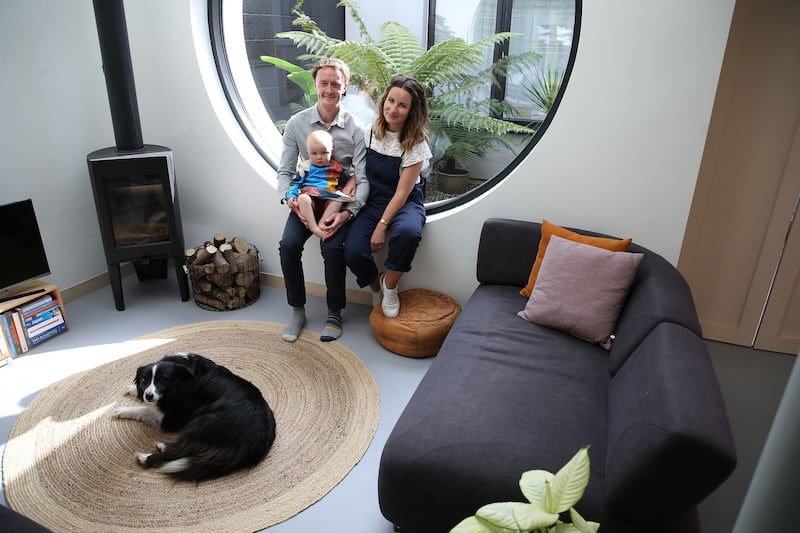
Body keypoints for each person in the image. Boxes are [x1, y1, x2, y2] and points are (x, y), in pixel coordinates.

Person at [277, 58, 368, 343]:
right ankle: (297, 310)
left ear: (345, 87)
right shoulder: (297, 123)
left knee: (332, 248)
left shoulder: (356, 128)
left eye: (336, 84)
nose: (329, 89)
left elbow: (363, 179)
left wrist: (348, 214)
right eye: (324, 83)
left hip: (337, 200)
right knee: (288, 245)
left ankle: (334, 312)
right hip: (306, 196)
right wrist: (288, 199)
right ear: (315, 84)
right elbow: (285, 171)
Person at [345, 74, 432, 318]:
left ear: (412, 110)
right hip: (373, 198)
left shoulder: (416, 144)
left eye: (402, 105)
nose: (393, 109)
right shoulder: (369, 132)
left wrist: (382, 226)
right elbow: (358, 169)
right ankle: (375, 287)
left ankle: (390, 285)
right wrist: (352, 183)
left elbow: (402, 193)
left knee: (408, 232)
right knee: (353, 250)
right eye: (390, 101)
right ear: (383, 100)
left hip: (405, 201)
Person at [288, 130, 355, 241]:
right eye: (314, 153)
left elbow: (344, 184)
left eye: (324, 153)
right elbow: (295, 183)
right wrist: (291, 196)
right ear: (308, 153)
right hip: (311, 197)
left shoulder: (337, 167)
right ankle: (314, 228)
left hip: (329, 198)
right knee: (303, 198)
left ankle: (322, 225)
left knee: (338, 200)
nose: (319, 157)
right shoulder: (305, 166)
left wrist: (345, 191)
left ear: (332, 151)